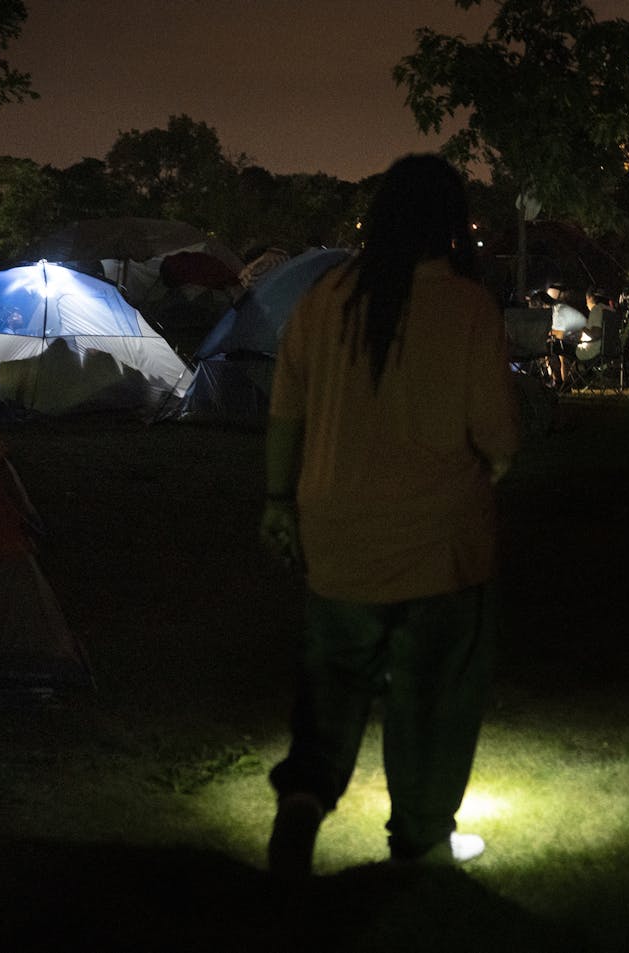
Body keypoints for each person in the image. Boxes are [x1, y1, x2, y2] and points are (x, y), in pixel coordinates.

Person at [258, 153, 522, 882]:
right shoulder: (468, 308)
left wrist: (278, 503)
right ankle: (421, 835)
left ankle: (304, 803)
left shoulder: (325, 297)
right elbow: (498, 439)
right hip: (440, 550)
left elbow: (285, 414)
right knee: (433, 696)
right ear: (449, 225)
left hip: (337, 538)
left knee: (332, 682)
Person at [541, 282, 586, 390]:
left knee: (549, 348)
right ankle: (559, 382)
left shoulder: (558, 309)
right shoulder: (561, 307)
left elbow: (560, 334)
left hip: (576, 344)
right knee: (553, 347)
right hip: (576, 342)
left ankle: (561, 383)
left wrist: (547, 333)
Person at [576, 287, 615, 363]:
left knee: (560, 345)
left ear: (590, 298)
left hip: (591, 352)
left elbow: (596, 334)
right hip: (609, 352)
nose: (586, 304)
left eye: (586, 300)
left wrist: (582, 327)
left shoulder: (596, 310)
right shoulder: (610, 311)